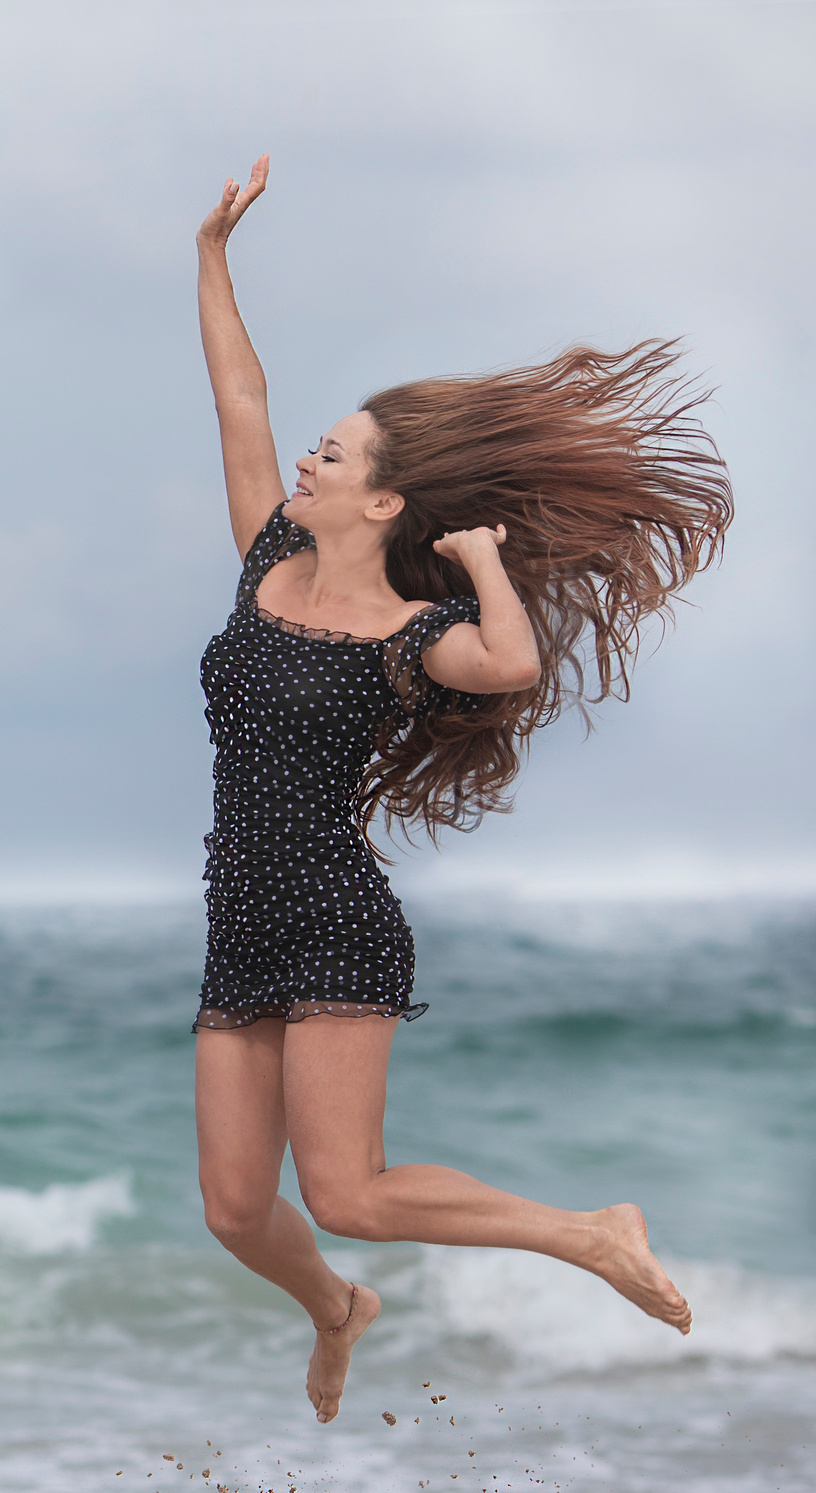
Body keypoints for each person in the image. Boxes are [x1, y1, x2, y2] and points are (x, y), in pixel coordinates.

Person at [190, 158, 733, 1420]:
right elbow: (237, 394)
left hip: (331, 913)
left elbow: (513, 660)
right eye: (313, 451)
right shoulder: (266, 563)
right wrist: (211, 250)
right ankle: (336, 1308)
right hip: (238, 909)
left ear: (383, 502)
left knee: (350, 1194)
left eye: (332, 456)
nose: (306, 463)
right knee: (231, 1207)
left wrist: (485, 564)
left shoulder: (412, 631)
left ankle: (589, 1231)